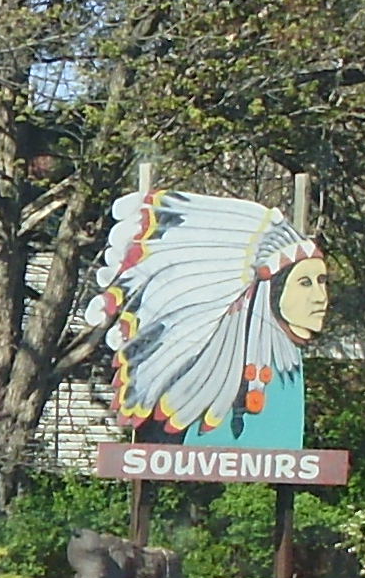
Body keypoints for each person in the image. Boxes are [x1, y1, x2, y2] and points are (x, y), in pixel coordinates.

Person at [84, 188, 329, 449]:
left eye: (323, 281)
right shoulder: (217, 358)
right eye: (305, 282)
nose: (321, 297)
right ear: (271, 290)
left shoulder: (287, 369)